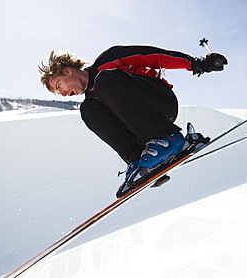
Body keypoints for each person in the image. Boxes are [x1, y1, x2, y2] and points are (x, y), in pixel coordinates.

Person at [38, 45, 227, 187]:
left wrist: (196, 64)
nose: (62, 93)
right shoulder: (93, 103)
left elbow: (155, 57)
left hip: (159, 101)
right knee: (88, 109)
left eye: (59, 86)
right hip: (139, 127)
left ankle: (167, 137)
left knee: (104, 78)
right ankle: (141, 163)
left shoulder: (108, 61)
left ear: (67, 71)